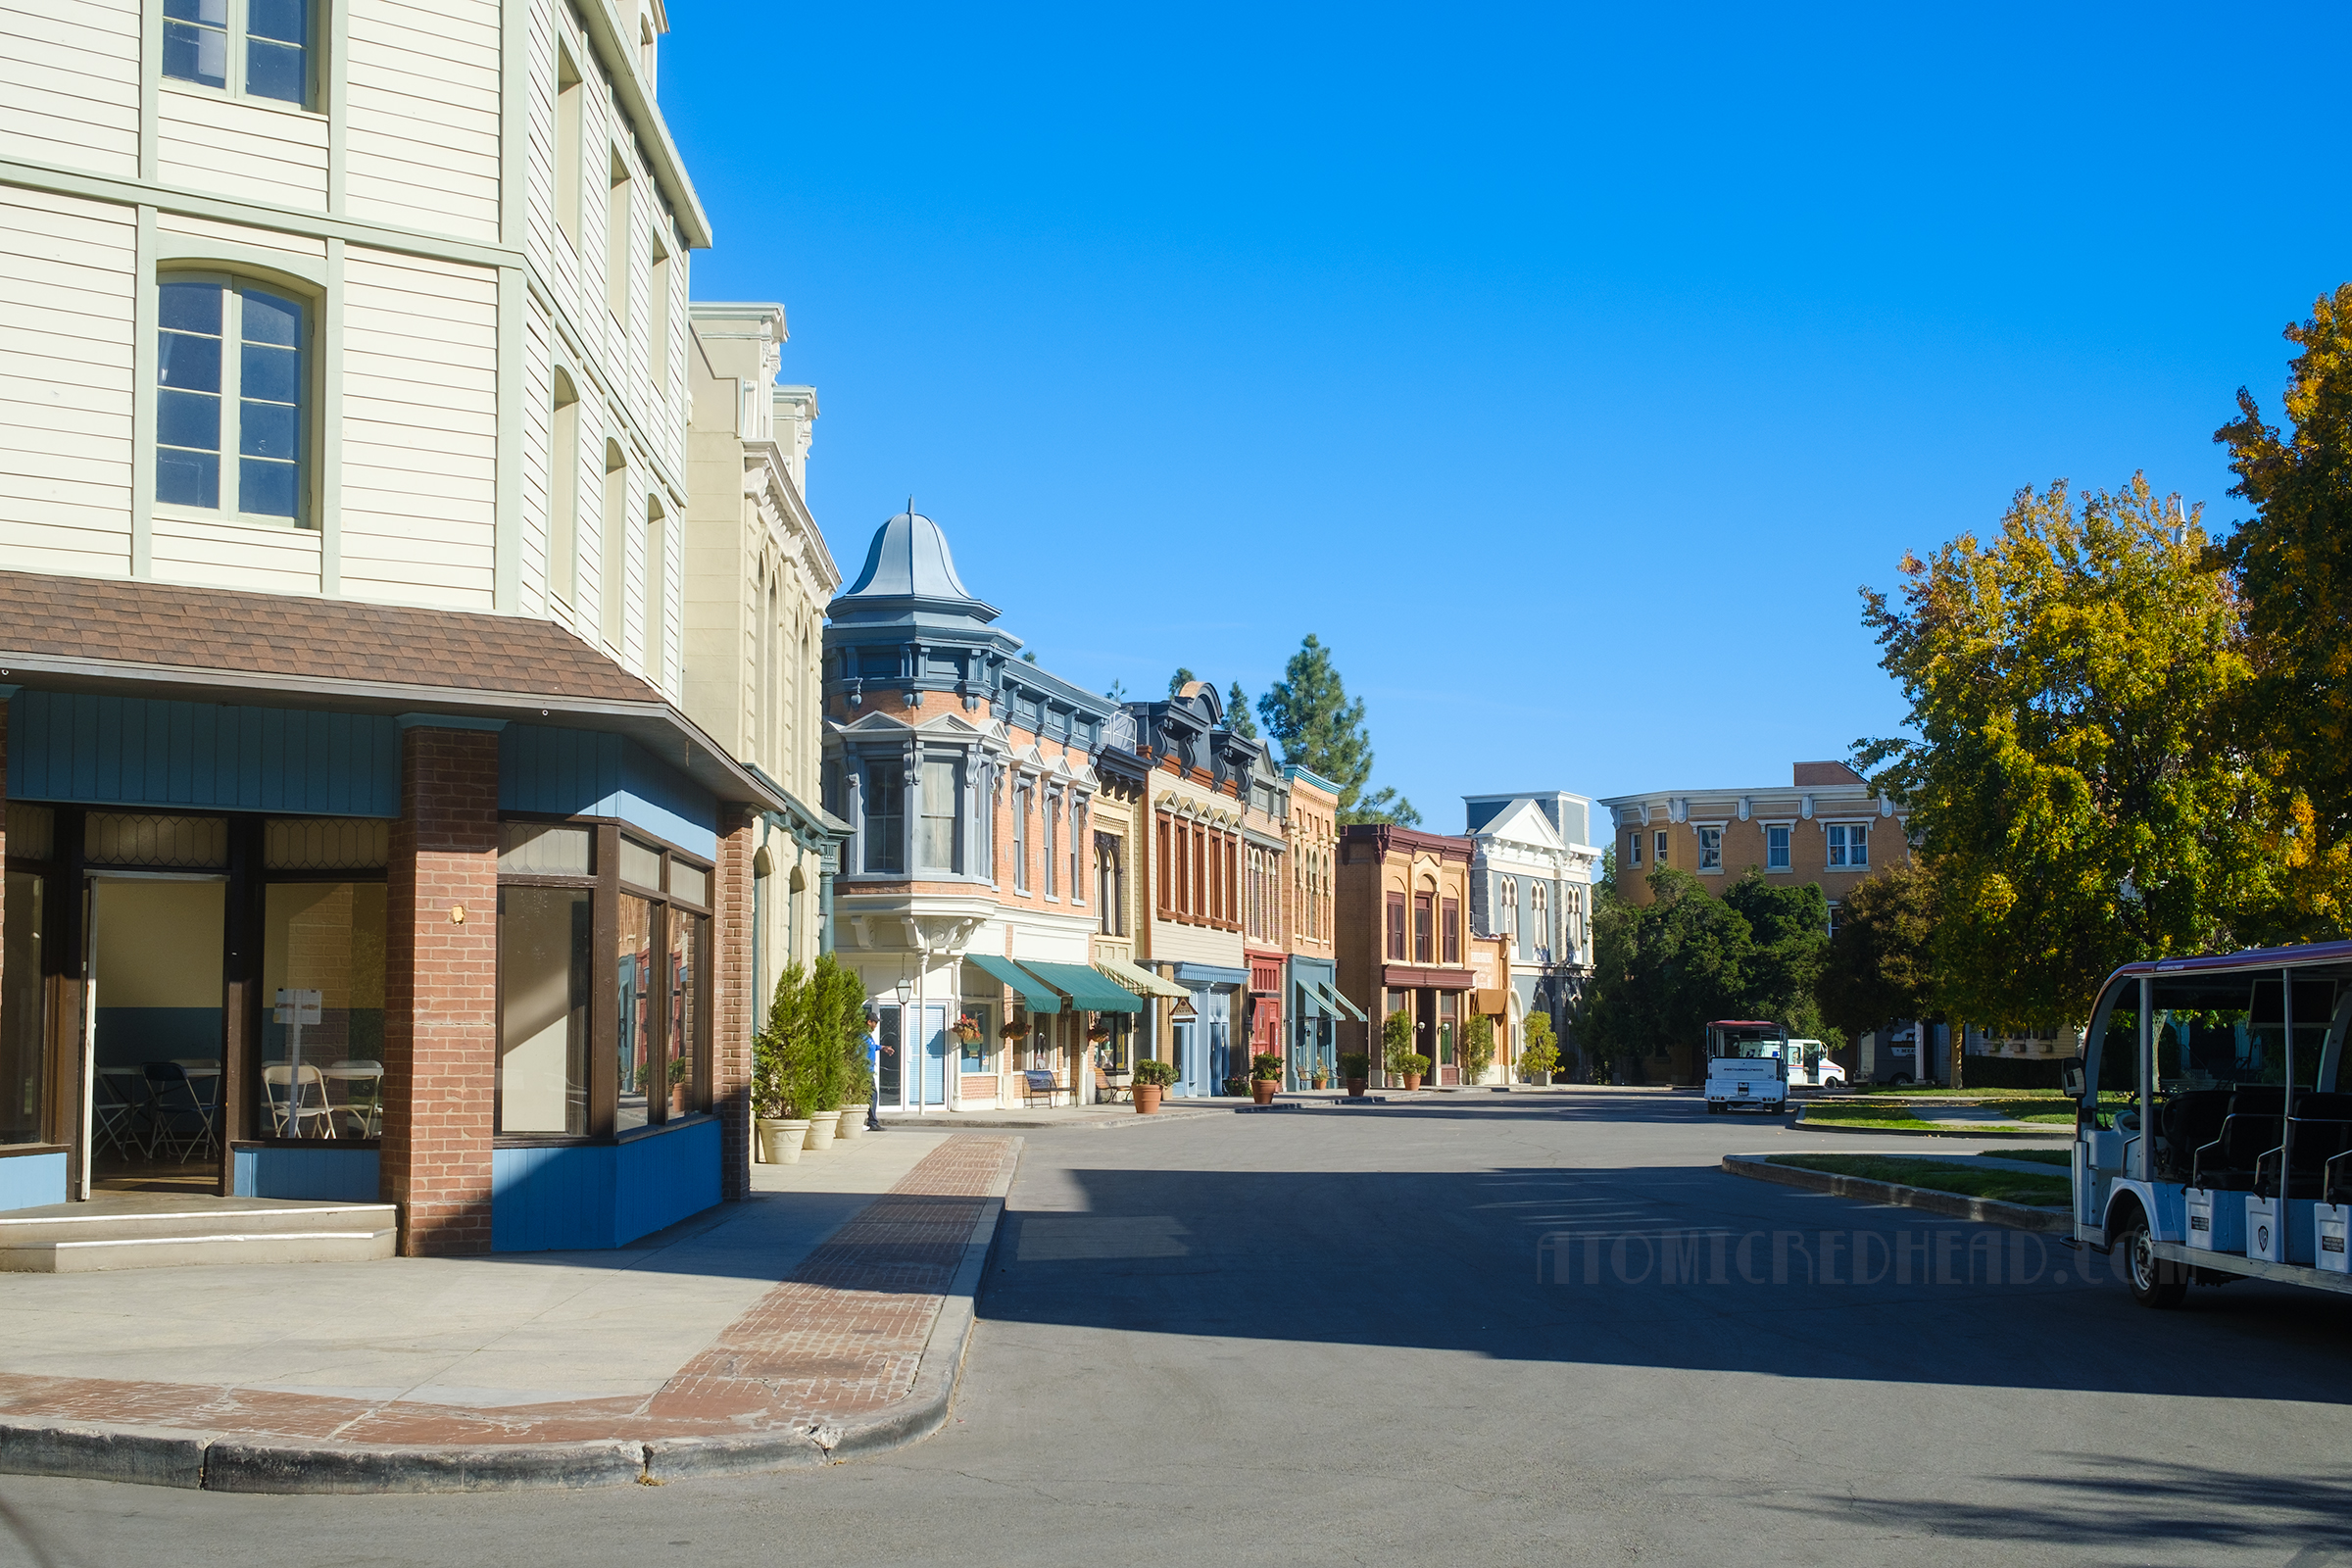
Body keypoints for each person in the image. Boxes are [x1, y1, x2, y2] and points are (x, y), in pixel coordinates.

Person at [866, 1016, 892, 1131]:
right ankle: (872, 1122)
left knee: (871, 1096)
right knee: (872, 1095)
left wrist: (882, 1047)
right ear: (869, 1022)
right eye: (875, 1023)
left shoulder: (867, 1036)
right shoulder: (861, 1036)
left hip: (869, 1072)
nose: (876, 1026)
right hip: (864, 1073)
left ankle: (872, 1121)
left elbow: (871, 1047)